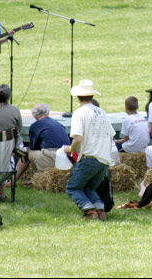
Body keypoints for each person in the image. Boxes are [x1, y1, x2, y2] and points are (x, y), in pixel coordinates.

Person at [64, 79, 115, 220]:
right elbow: (111, 135)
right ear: (92, 95)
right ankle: (100, 210)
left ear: (78, 97)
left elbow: (78, 138)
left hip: (89, 157)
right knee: (89, 188)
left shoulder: (80, 113)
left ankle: (90, 211)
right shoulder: (102, 112)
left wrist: (71, 149)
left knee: (73, 188)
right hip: (103, 160)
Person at [14, 103, 71, 184]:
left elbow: (33, 148)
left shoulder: (35, 126)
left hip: (54, 157)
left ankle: (12, 181)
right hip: (67, 157)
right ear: (47, 112)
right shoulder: (59, 124)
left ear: (34, 114)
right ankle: (37, 180)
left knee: (26, 154)